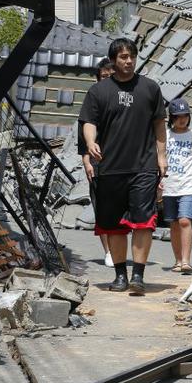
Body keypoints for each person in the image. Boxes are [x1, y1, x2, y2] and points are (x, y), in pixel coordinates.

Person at [79, 38, 167, 296]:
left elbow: (159, 123)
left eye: (132, 56)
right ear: (113, 60)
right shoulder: (98, 91)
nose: (129, 61)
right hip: (109, 168)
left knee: (143, 223)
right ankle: (120, 275)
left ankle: (138, 276)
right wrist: (91, 142)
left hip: (143, 166)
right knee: (114, 225)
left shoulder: (150, 88)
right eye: (123, 57)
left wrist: (162, 156)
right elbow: (88, 121)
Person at [160, 98, 192, 274]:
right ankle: (178, 260)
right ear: (171, 118)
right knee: (174, 223)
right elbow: (157, 159)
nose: (182, 119)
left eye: (185, 116)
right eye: (178, 116)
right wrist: (157, 180)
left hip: (188, 185)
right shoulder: (165, 136)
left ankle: (187, 261)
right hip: (169, 185)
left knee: (184, 220)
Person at [77, 58, 115, 266]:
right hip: (98, 161)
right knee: (101, 208)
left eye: (111, 76)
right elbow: (83, 132)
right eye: (103, 77)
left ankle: (118, 248)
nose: (107, 80)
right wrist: (86, 161)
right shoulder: (93, 99)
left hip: (121, 161)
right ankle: (108, 251)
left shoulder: (124, 98)